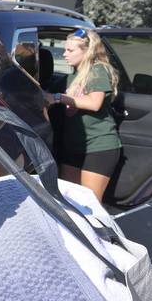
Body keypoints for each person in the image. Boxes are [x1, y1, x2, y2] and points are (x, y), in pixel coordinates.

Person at [43, 28, 121, 202]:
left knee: (90, 205)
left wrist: (58, 98)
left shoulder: (98, 70)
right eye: (65, 49)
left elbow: (94, 103)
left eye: (70, 50)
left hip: (98, 147)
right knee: (67, 201)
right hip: (73, 147)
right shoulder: (71, 77)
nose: (64, 54)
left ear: (87, 52)